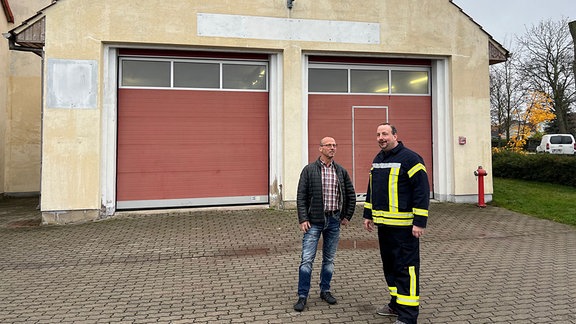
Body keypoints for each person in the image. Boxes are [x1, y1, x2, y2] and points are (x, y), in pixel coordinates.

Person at [363, 123, 430, 324]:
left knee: (406, 269)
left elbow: (421, 191)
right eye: (378, 134)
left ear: (395, 135)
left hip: (404, 229)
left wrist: (419, 222)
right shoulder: (378, 159)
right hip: (384, 227)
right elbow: (372, 188)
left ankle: (408, 316)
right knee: (390, 267)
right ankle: (396, 304)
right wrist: (368, 214)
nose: (381, 137)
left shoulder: (411, 159)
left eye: (385, 133)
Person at [293, 137, 356, 312]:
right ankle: (302, 296)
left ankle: (325, 290)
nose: (332, 148)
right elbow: (301, 196)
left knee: (329, 260)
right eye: (328, 145)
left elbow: (351, 195)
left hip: (334, 221)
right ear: (320, 148)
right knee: (307, 260)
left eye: (335, 145)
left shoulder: (340, 171)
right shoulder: (309, 170)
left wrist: (346, 216)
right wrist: (303, 218)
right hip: (313, 222)